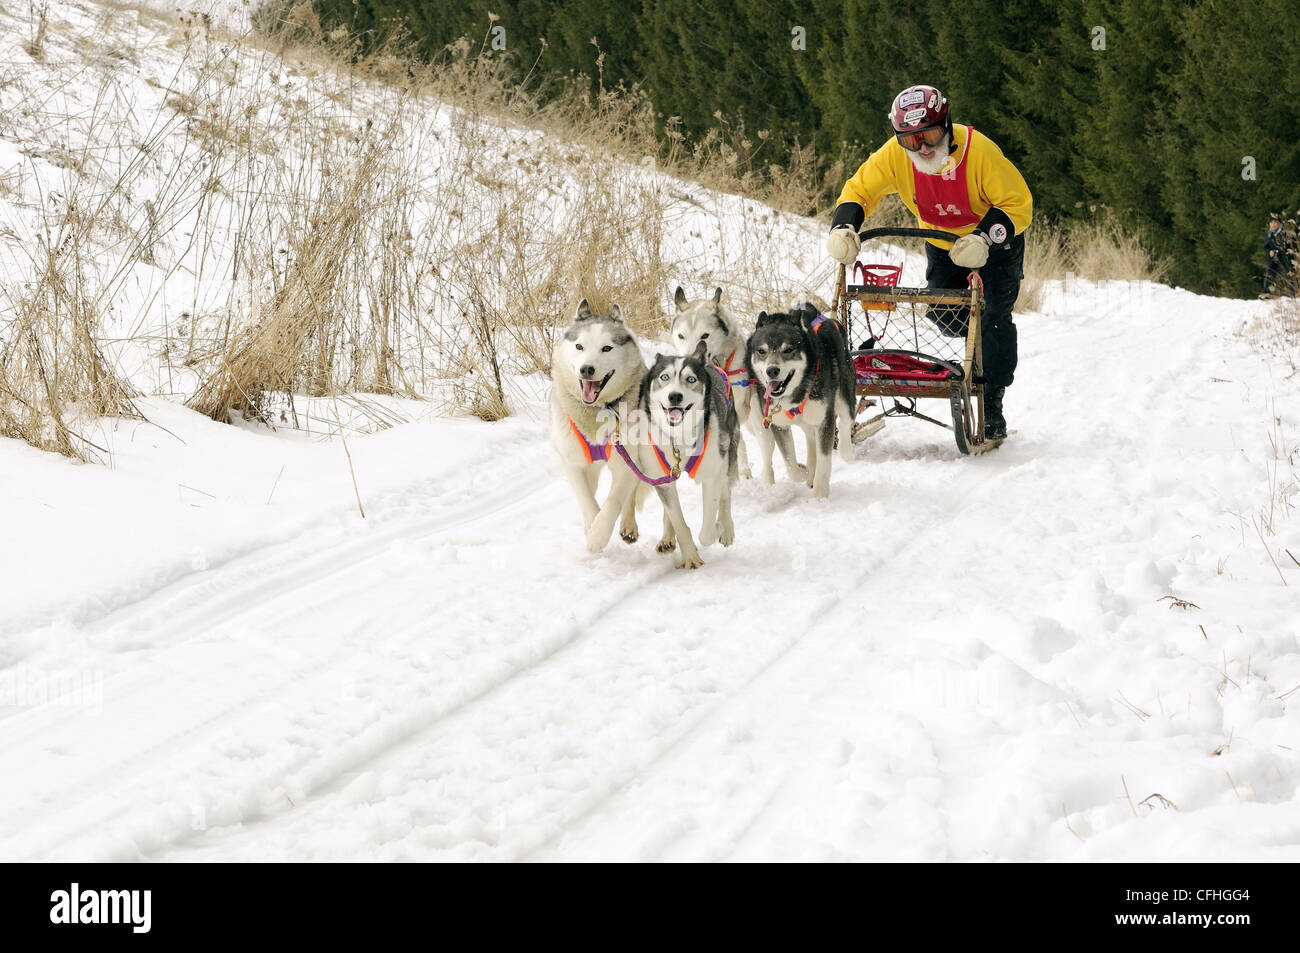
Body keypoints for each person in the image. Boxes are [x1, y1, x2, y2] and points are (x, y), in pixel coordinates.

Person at [825, 85, 1032, 439]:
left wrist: (983, 239)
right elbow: (859, 190)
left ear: (947, 124)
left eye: (931, 135)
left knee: (994, 316)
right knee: (945, 316)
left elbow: (1018, 204)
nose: (922, 147)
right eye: (911, 140)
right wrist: (844, 228)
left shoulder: (979, 152)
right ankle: (979, 347)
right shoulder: (895, 156)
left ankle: (992, 398)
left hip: (995, 245)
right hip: (943, 244)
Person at [1263, 213, 1294, 296]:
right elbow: (1265, 247)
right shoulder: (1268, 234)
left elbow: (1290, 246)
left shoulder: (1284, 232)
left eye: (1275, 222)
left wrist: (1280, 251)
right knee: (1269, 274)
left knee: (1288, 275)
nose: (1273, 224)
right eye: (1271, 222)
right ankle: (1266, 293)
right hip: (1273, 258)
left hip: (1285, 257)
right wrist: (1269, 251)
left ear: (1279, 223)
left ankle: (1293, 293)